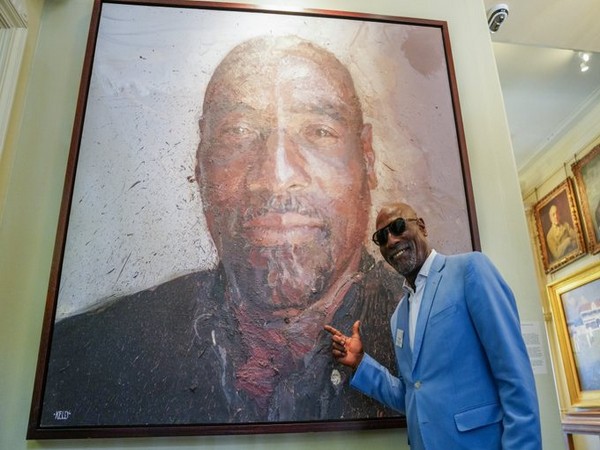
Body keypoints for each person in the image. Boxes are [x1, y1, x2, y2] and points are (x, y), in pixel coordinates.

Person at [40, 35, 403, 427]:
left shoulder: (433, 336)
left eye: (318, 131)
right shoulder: (82, 358)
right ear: (200, 162)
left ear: (367, 158)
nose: (276, 177)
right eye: (239, 131)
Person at [325, 202, 541, 450]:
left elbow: (514, 374)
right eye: (381, 237)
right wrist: (361, 363)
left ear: (422, 227)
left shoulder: (469, 270)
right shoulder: (398, 316)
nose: (391, 241)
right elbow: (414, 395)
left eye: (397, 227)